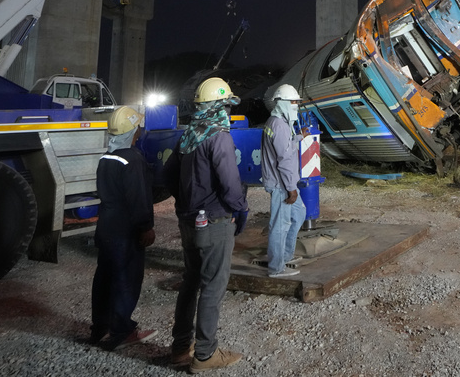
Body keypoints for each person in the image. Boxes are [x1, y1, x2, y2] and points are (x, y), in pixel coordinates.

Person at [164, 77, 249, 372]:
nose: (227, 110)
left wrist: (187, 201)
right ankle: (204, 355)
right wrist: (240, 207)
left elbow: (167, 177)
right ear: (218, 106)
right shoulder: (219, 137)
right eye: (225, 105)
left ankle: (179, 348)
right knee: (213, 287)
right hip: (214, 221)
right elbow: (229, 182)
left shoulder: (188, 135)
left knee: (190, 282)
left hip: (188, 220)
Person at [91, 106, 157, 350]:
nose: (140, 130)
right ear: (133, 131)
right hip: (125, 230)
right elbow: (137, 198)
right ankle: (121, 332)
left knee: (104, 279)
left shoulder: (106, 157)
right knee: (125, 280)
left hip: (106, 227)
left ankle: (100, 328)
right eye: (138, 127)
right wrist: (145, 227)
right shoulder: (132, 159)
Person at [261, 84, 307, 278]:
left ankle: (285, 255)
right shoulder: (279, 125)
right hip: (282, 184)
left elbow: (285, 147)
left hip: (283, 182)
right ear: (284, 103)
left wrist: (298, 137)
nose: (296, 105)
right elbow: (284, 159)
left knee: (299, 214)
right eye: (294, 102)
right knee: (280, 225)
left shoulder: (276, 122)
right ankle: (276, 268)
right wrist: (291, 188)